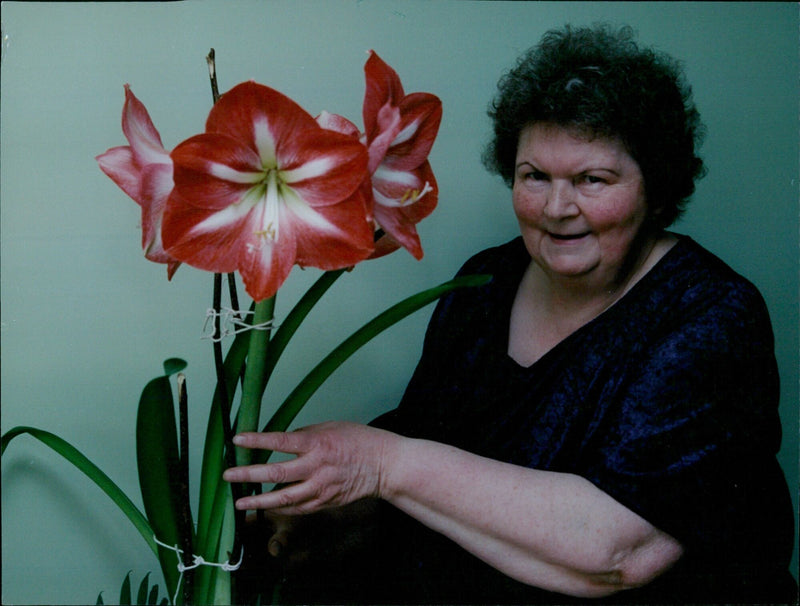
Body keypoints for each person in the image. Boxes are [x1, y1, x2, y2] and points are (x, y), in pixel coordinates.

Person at [225, 24, 797, 604]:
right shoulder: (486, 283)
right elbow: (431, 477)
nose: (556, 208)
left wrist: (382, 463)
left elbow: (619, 553)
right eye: (534, 177)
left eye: (592, 180)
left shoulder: (712, 316)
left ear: (656, 189)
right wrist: (316, 520)